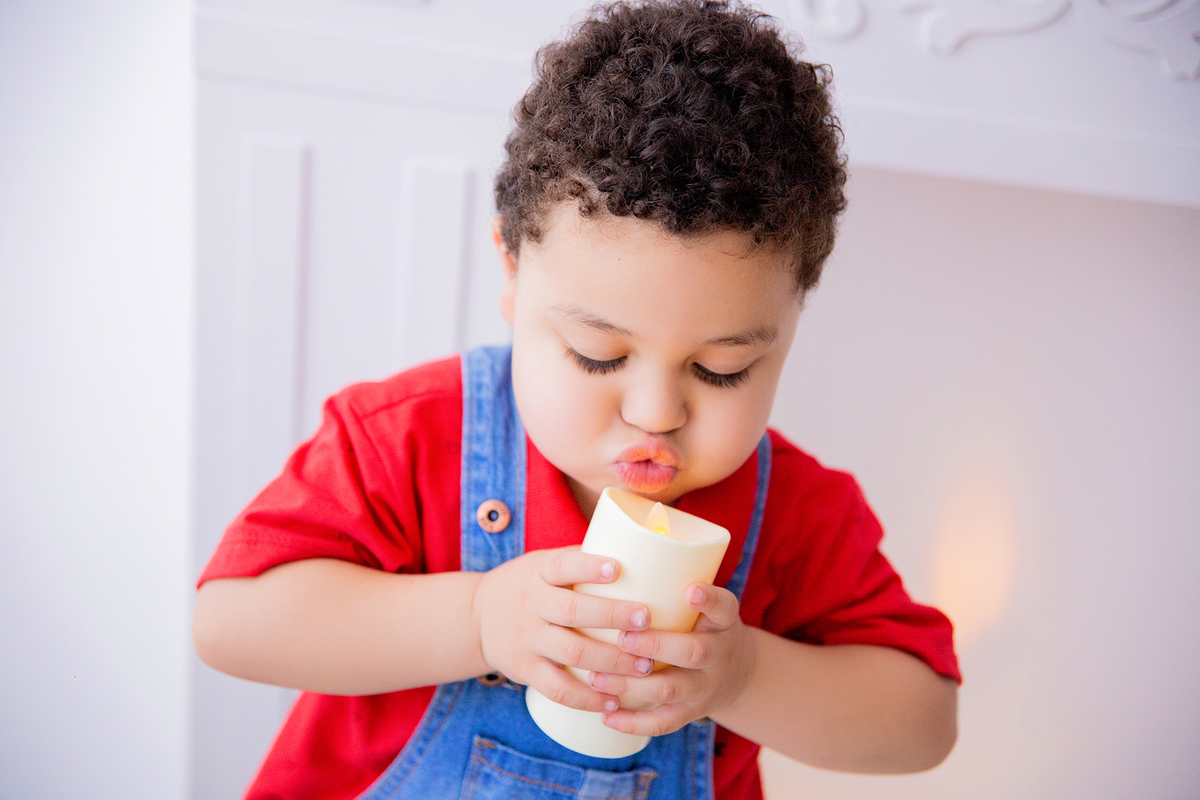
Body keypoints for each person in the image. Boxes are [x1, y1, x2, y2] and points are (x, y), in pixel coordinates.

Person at [192, 1, 961, 798]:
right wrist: (478, 619)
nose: (656, 412)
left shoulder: (796, 512)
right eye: (600, 355)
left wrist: (744, 676)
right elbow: (230, 625)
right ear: (513, 273)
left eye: (724, 368)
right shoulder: (410, 438)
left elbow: (922, 723)